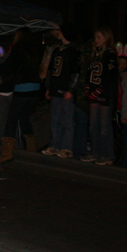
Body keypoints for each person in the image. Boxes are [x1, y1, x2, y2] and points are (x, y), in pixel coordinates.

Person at [0, 28, 42, 164]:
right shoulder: (36, 49)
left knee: (12, 119)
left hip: (22, 87)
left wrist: (2, 78)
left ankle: (6, 152)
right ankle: (31, 148)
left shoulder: (17, 49)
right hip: (35, 87)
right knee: (24, 117)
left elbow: (12, 68)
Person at [43, 23, 81, 159]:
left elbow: (76, 72)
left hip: (66, 91)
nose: (58, 33)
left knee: (67, 120)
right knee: (55, 119)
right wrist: (48, 87)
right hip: (55, 90)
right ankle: (54, 145)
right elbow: (50, 71)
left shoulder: (73, 51)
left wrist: (71, 89)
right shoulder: (57, 50)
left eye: (60, 31)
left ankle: (66, 147)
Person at [82, 27, 119, 165]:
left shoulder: (109, 55)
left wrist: (99, 90)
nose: (96, 40)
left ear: (106, 38)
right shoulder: (95, 54)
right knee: (93, 125)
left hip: (104, 95)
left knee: (104, 126)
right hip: (94, 95)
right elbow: (90, 74)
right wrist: (88, 88)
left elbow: (110, 77)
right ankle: (95, 152)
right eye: (95, 37)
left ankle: (107, 154)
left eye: (99, 37)